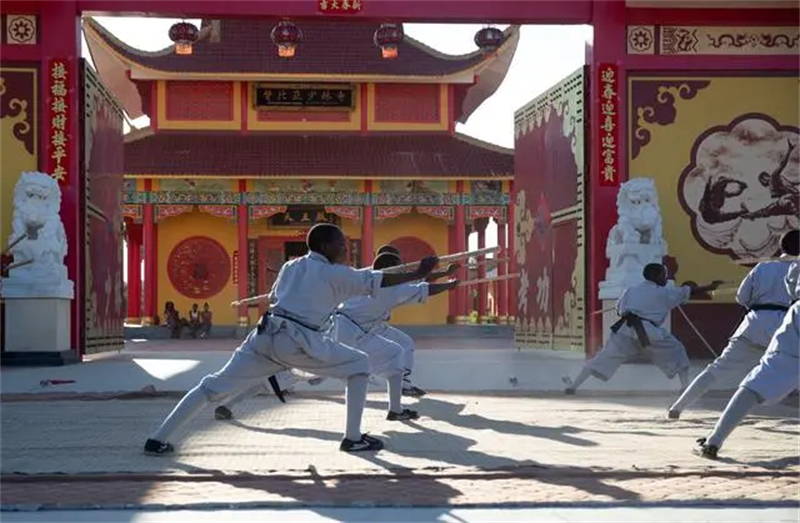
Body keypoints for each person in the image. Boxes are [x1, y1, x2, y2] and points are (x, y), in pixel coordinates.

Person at [143, 223, 438, 455]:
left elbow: (274, 296)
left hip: (263, 336)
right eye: (341, 244)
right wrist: (420, 272)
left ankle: (157, 439)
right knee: (359, 364)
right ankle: (353, 439)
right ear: (325, 246)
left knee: (210, 387)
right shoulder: (335, 273)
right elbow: (378, 280)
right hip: (301, 342)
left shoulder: (290, 266)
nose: (345, 249)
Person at [668, 230, 800, 419]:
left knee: (718, 368)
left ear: (781, 247)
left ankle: (678, 406)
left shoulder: (762, 267)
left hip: (755, 322)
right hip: (787, 325)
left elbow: (742, 297)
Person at [564, 264, 724, 395]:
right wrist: (711, 286)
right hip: (651, 334)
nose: (665, 278)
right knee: (678, 350)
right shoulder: (664, 293)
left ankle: (574, 386)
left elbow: (620, 309)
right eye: (663, 275)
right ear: (656, 276)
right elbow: (689, 291)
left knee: (602, 358)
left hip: (625, 331)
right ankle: (685, 387)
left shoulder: (631, 290)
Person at [695, 260, 800, 459]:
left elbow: (792, 285)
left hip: (793, 327)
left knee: (756, 383)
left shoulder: (769, 267)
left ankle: (714, 441)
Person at [333, 252, 459, 414]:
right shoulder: (391, 289)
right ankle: (398, 400)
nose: (403, 272)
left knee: (399, 348)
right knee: (387, 357)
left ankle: (398, 400)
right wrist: (450, 285)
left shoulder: (365, 278)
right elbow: (424, 288)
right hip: (352, 330)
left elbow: (415, 280)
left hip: (351, 327)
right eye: (400, 267)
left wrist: (444, 274)